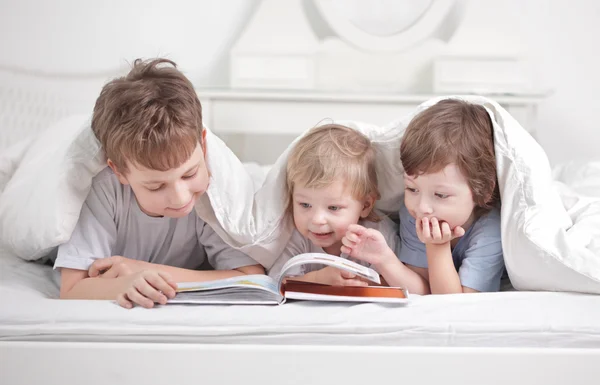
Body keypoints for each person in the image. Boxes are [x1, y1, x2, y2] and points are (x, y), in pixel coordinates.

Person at [54, 58, 263, 308]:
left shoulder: (211, 192)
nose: (181, 198)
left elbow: (252, 279)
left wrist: (142, 270)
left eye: (189, 174)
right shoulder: (105, 189)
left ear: (203, 145)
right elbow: (72, 288)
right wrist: (122, 284)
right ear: (120, 172)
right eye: (156, 186)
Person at [343, 99, 503, 294]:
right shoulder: (414, 215)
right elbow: (421, 290)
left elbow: (456, 304)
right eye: (412, 189)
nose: (422, 207)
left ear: (483, 191)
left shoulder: (490, 230)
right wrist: (384, 259)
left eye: (441, 194)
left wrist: (437, 247)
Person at [268, 124, 429, 294]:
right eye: (305, 205)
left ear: (365, 205)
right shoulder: (296, 236)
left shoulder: (377, 234)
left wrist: (362, 282)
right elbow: (275, 283)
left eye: (333, 207)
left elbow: (407, 287)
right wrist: (317, 280)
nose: (316, 219)